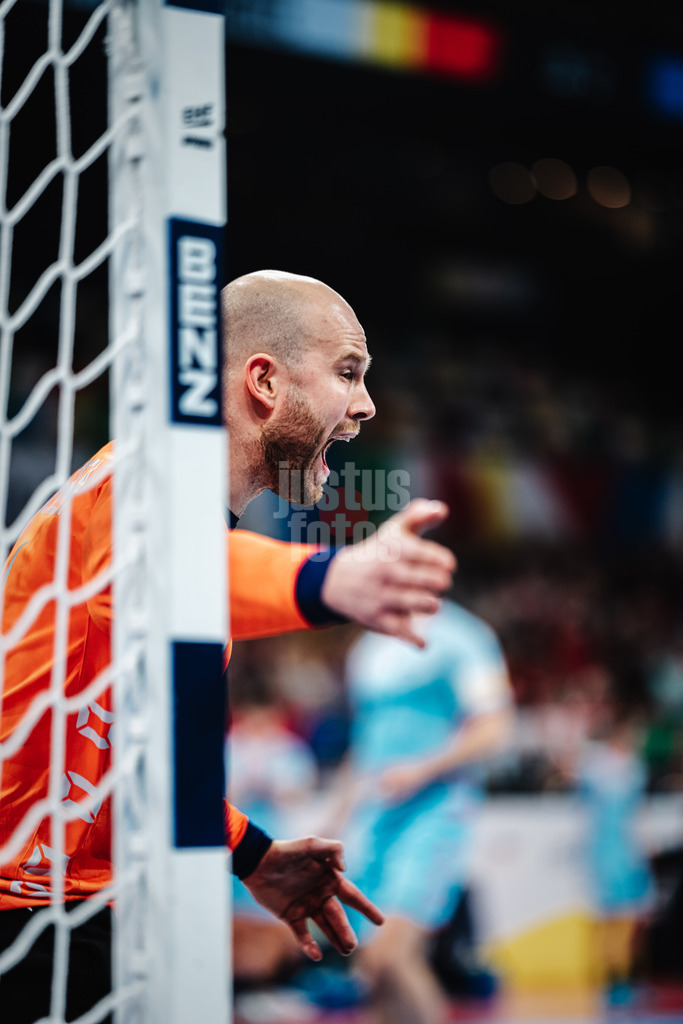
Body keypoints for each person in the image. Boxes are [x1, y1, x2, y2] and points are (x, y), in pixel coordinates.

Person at [0, 270, 456, 1021]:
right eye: (348, 372)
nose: (367, 405)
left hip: (81, 908)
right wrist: (329, 577)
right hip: (27, 918)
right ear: (264, 382)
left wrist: (251, 855)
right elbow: (170, 575)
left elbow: (119, 760)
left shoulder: (185, 520)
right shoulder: (129, 486)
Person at [333, 598, 514, 1024]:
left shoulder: (464, 637)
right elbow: (364, 745)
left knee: (391, 955)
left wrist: (422, 769)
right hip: (376, 821)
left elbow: (495, 727)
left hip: (435, 811)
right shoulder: (367, 649)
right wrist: (335, 818)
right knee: (371, 970)